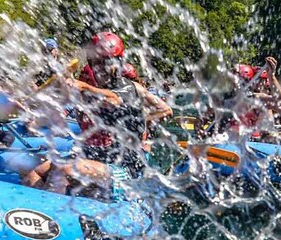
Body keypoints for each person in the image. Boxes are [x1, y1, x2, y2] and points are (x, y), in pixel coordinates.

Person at [23, 32, 171, 199]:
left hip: (123, 168)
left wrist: (83, 87)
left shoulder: (131, 87)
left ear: (118, 62)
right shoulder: (90, 92)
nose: (101, 69)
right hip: (94, 158)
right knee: (33, 170)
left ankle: (50, 215)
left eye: (106, 62)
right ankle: (39, 212)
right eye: (96, 63)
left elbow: (114, 98)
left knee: (64, 170)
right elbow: (62, 105)